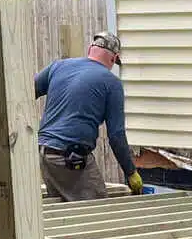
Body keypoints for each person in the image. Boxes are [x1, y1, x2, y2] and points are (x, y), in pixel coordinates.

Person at [33, 30, 144, 201]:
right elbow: (116, 135)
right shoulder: (111, 83)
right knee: (98, 209)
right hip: (69, 157)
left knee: (66, 214)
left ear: (90, 49)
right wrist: (131, 172)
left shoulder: (58, 66)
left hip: (44, 153)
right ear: (114, 59)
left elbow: (25, 91)